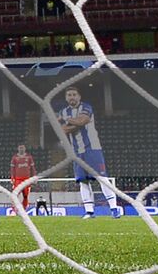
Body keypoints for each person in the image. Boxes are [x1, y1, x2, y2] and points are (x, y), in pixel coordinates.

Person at [58, 86, 120, 219]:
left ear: (79, 96)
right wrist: (74, 124)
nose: (72, 97)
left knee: (102, 178)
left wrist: (68, 121)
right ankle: (89, 211)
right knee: (83, 181)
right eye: (69, 95)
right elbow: (62, 130)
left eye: (74, 94)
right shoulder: (64, 111)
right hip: (76, 152)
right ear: (66, 97)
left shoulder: (86, 107)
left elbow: (82, 120)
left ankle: (114, 209)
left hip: (92, 148)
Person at [9, 144, 37, 212]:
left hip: (26, 179)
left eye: (22, 148)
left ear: (25, 149)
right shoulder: (14, 158)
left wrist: (34, 177)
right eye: (20, 148)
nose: (21, 149)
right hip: (18, 179)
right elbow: (12, 169)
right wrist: (12, 178)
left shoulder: (29, 157)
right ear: (18, 149)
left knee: (25, 195)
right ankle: (13, 210)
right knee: (15, 194)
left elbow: (32, 168)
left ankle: (24, 209)